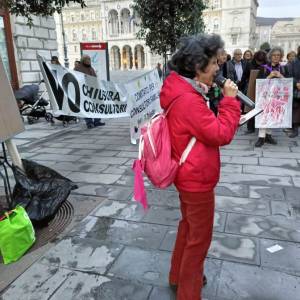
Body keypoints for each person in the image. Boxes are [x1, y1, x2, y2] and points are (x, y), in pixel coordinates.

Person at [160, 34, 241, 300]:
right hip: (197, 179)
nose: (218, 68)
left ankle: (177, 277)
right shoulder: (188, 101)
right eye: (214, 63)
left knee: (188, 228)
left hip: (189, 175)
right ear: (197, 67)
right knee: (199, 240)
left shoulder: (182, 90)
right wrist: (230, 101)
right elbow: (220, 134)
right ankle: (189, 293)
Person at [255, 46, 286, 147]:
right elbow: (258, 82)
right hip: (264, 96)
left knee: (273, 114)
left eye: (278, 55)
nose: (276, 57)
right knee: (263, 114)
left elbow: (289, 82)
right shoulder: (263, 68)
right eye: (274, 55)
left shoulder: (283, 68)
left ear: (281, 57)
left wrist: (281, 76)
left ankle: (268, 135)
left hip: (277, 97)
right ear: (270, 56)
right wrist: (269, 76)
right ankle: (261, 137)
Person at [240, 50, 267, 134]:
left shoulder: (267, 64)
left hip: (264, 89)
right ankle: (250, 127)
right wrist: (240, 86)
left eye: (261, 62)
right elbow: (244, 76)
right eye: (258, 61)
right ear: (255, 58)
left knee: (262, 107)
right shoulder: (249, 64)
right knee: (250, 108)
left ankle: (261, 126)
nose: (259, 63)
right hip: (251, 87)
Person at [74, 55, 105, 129]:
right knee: (86, 107)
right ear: (83, 60)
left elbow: (95, 78)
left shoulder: (91, 68)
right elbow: (75, 77)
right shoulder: (78, 68)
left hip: (93, 90)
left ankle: (97, 121)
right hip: (84, 91)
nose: (88, 60)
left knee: (97, 105)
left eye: (89, 59)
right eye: (86, 59)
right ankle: (89, 122)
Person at [288, 46, 300, 138]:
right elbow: (289, 75)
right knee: (296, 108)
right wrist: (296, 83)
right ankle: (295, 128)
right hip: (297, 89)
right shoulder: (293, 62)